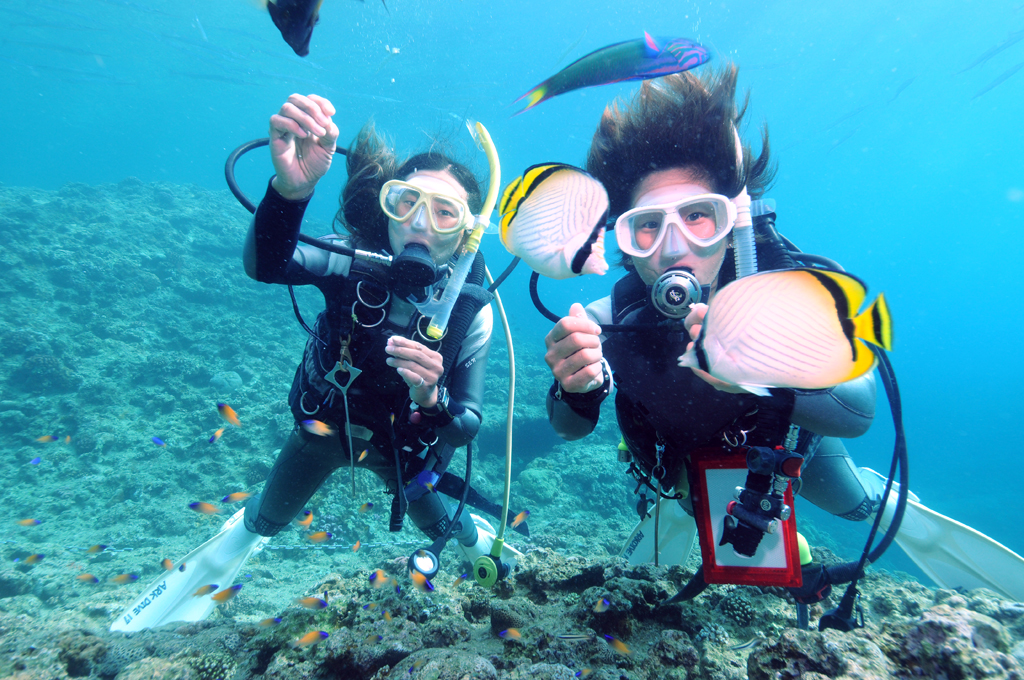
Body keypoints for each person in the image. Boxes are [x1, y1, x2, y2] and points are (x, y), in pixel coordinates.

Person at [541, 66, 1024, 603]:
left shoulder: (786, 292)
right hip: (674, 468)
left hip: (791, 462)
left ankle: (885, 507)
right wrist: (574, 387)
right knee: (685, 500)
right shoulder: (613, 318)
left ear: (735, 223)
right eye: (648, 225)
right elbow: (568, 428)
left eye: (700, 217)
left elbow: (859, 412)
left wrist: (769, 373)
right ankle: (683, 510)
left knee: (849, 501)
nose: (673, 248)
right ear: (624, 239)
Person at [112, 94, 520, 632]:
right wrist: (290, 191)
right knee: (265, 519)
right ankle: (233, 544)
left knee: (435, 518)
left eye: (445, 212)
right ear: (386, 207)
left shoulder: (472, 313)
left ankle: (472, 541)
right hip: (324, 428)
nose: (421, 223)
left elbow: (467, 422)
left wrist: (432, 400)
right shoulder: (349, 260)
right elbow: (267, 264)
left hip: (403, 446)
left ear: (467, 232)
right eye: (406, 202)